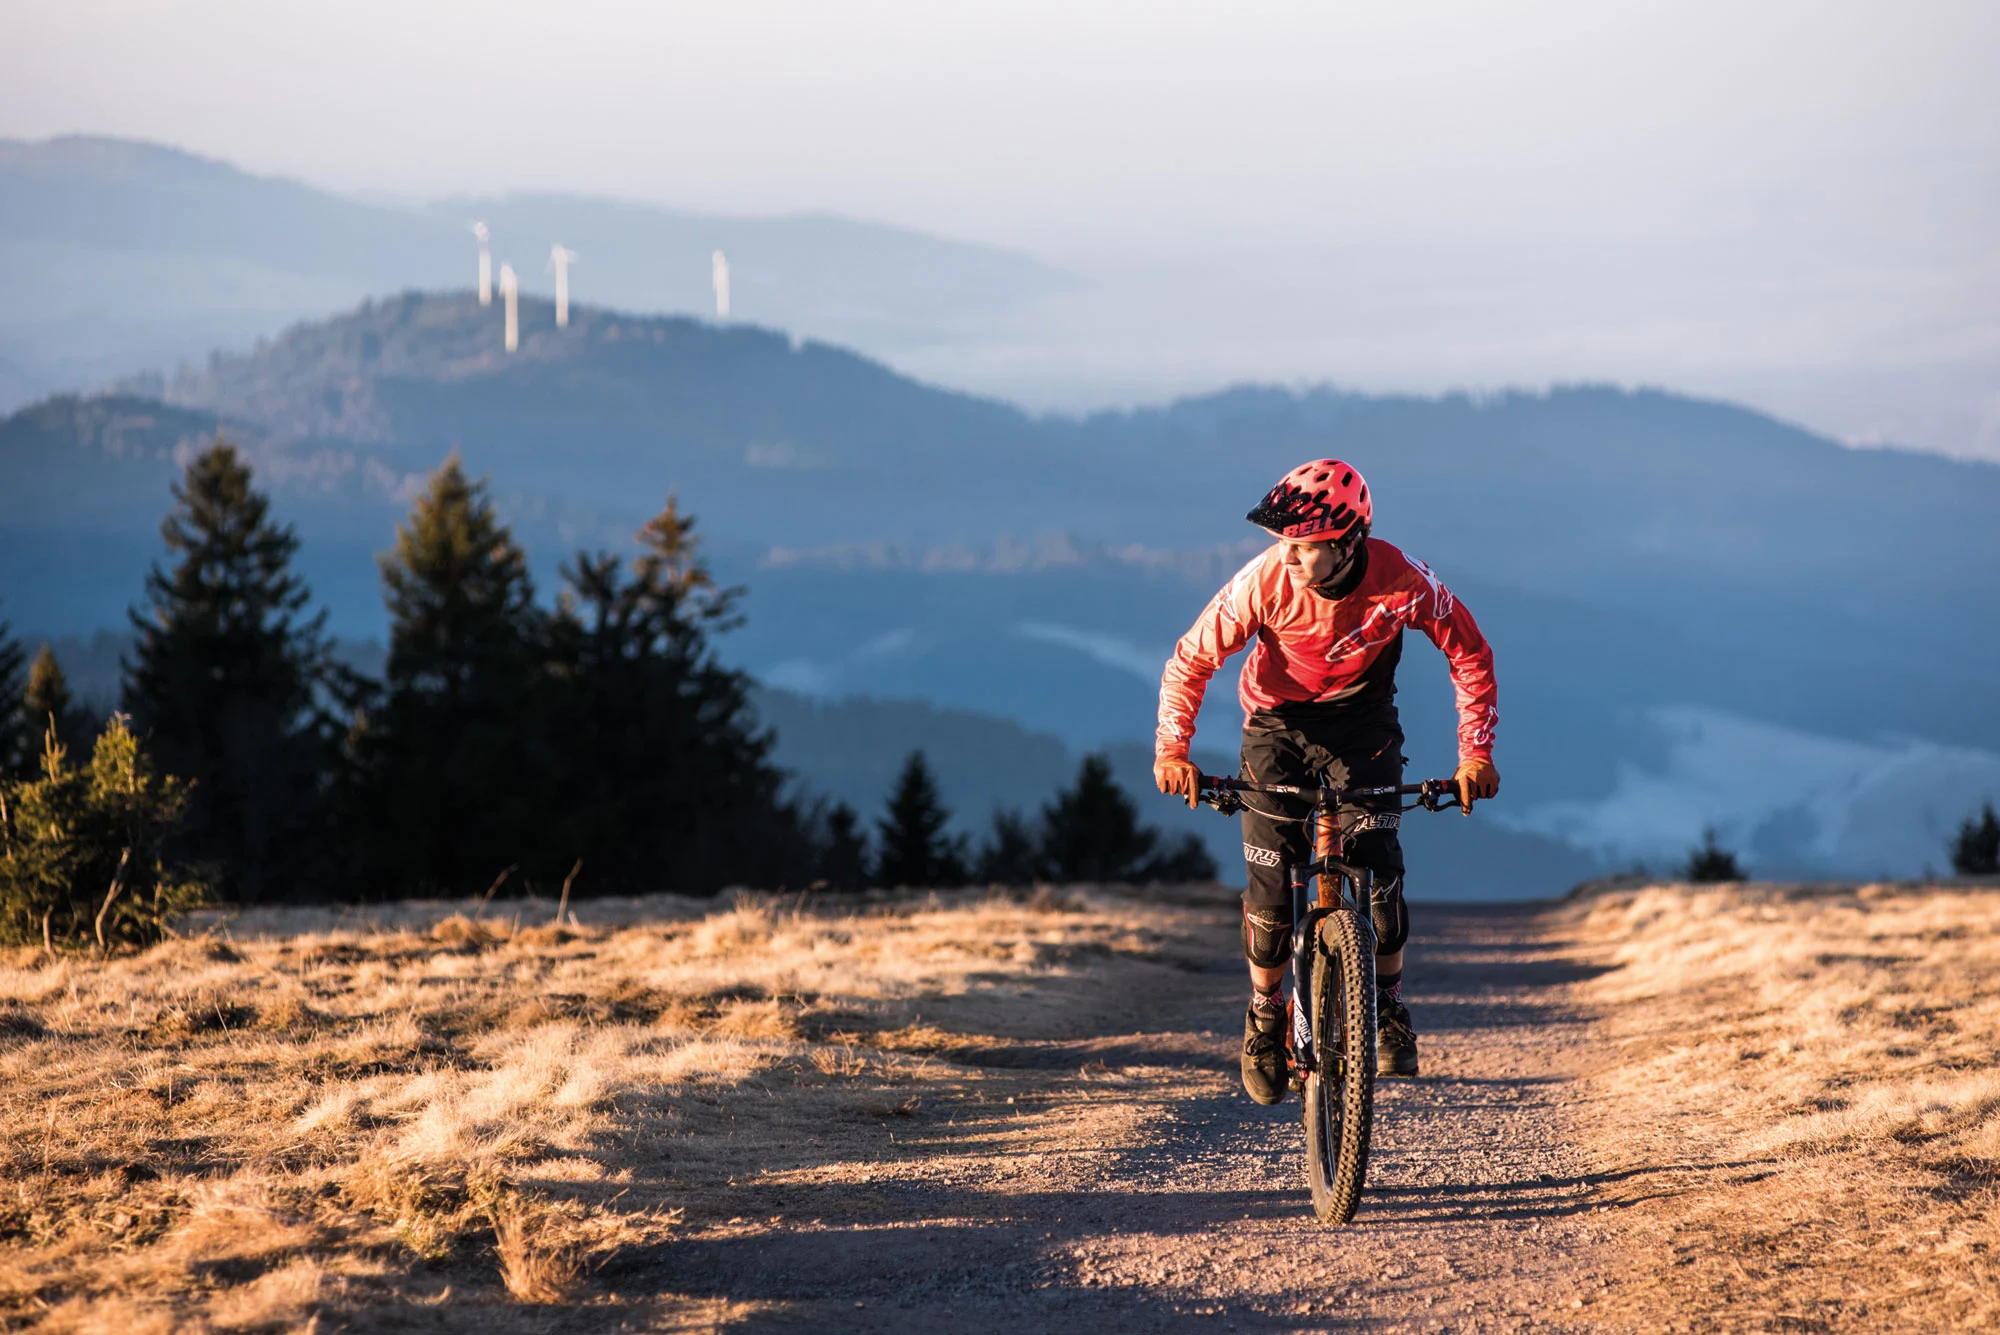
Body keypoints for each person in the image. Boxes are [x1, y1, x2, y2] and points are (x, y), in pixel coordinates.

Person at [1153, 459, 1498, 1102]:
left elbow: (1469, 652)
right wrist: (1173, 751)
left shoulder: (1402, 579)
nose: (1287, 556)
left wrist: (1474, 755)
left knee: (1380, 864)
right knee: (1270, 883)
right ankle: (1264, 1017)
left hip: (1363, 723)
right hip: (1275, 726)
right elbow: (1191, 659)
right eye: (1283, 541)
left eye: (1303, 545)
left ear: (1346, 545)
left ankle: (1388, 1007)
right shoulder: (1263, 582)